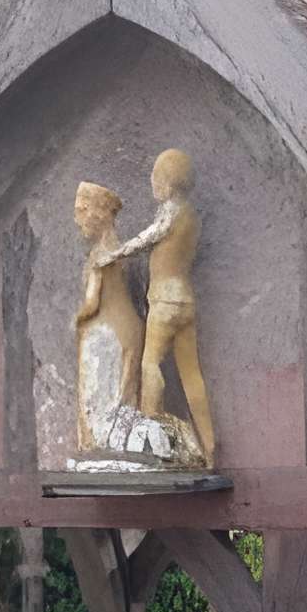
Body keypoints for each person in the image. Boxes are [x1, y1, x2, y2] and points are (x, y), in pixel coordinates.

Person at [97, 148, 213, 463]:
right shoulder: (193, 216)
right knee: (192, 375)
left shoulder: (171, 211)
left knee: (150, 364)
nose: (151, 182)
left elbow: (150, 237)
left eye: (155, 176)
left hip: (164, 300)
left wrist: (116, 253)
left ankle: (152, 435)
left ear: (168, 181)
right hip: (186, 300)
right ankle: (210, 449)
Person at [71, 181, 143, 451]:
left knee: (99, 404)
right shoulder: (118, 250)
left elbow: (92, 303)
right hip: (128, 331)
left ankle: (97, 449)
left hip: (106, 337)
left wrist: (76, 321)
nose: (76, 219)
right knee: (121, 402)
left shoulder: (100, 256)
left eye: (81, 211)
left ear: (98, 214)